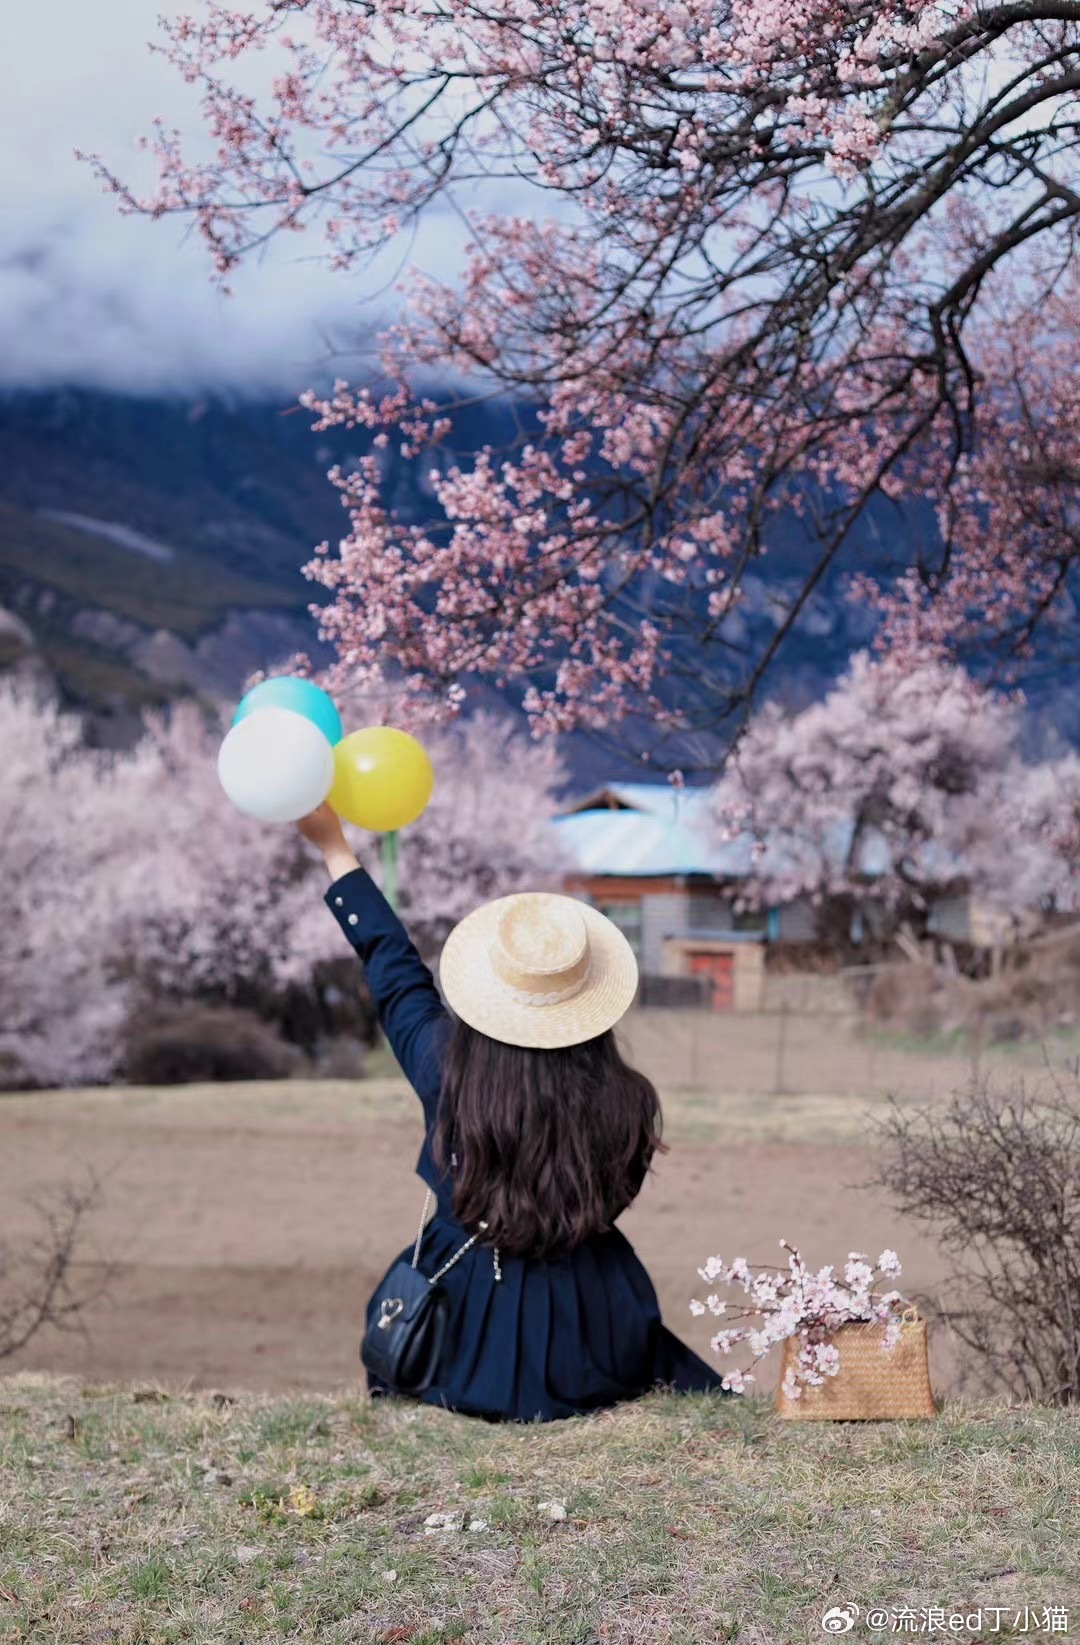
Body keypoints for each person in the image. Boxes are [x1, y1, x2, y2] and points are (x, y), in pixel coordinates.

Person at [299, 802, 729, 1422]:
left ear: (489, 997)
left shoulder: (449, 1070)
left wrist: (335, 849)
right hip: (593, 1315)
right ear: (590, 1008)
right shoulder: (629, 1100)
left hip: (463, 1311)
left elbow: (395, 973)